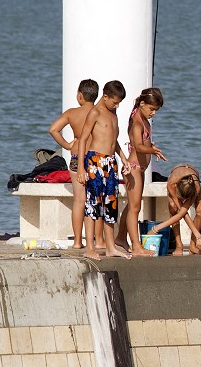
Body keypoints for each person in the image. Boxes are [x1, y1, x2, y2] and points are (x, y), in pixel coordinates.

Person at [72, 80, 131, 261]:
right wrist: (81, 167)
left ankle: (111, 246)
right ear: (105, 96)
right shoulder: (95, 112)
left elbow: (114, 140)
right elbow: (82, 140)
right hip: (94, 161)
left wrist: (123, 158)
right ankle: (89, 247)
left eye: (119, 102)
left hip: (110, 163)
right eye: (114, 101)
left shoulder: (113, 114)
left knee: (110, 205)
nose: (117, 105)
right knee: (92, 206)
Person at [48, 79, 98, 251]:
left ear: (80, 95)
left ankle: (77, 241)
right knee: (95, 199)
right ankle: (98, 240)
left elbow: (53, 129)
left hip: (77, 156)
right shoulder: (99, 112)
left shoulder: (72, 113)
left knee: (79, 200)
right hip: (94, 156)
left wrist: (68, 145)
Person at [122, 87, 166, 257]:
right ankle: (136, 246)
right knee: (135, 208)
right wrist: (151, 151)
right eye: (151, 108)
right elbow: (139, 146)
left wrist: (152, 147)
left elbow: (144, 143)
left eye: (156, 110)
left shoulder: (144, 119)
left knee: (132, 206)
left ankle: (120, 238)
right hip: (133, 168)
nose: (153, 113)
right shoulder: (137, 122)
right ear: (142, 104)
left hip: (139, 168)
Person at [146, 164, 201, 255]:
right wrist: (154, 229)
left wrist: (198, 237)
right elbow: (180, 214)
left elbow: (183, 213)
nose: (183, 201)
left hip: (194, 180)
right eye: (181, 198)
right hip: (177, 172)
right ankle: (179, 245)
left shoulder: (196, 188)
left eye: (185, 200)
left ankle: (192, 245)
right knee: (173, 207)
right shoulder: (171, 184)